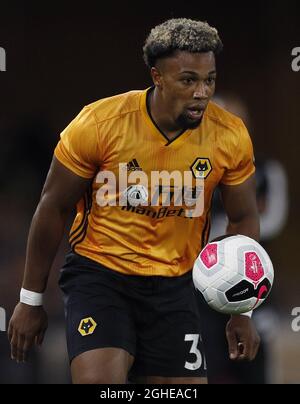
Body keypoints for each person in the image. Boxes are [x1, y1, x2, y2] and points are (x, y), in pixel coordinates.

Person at [8, 18, 261, 384]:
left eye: (210, 80)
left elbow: (244, 218)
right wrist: (30, 299)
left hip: (176, 284)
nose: (202, 92)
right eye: (188, 80)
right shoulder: (99, 124)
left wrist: (243, 311)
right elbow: (53, 206)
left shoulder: (230, 135)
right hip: (100, 277)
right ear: (157, 77)